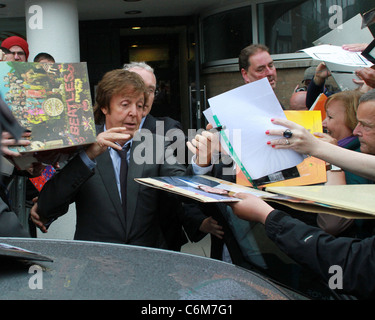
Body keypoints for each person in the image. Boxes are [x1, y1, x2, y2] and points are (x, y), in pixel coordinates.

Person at [31, 69, 203, 249]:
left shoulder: (156, 145)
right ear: (105, 106)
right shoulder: (82, 145)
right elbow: (48, 205)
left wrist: (200, 164)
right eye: (125, 104)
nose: (134, 113)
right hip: (97, 260)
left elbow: (184, 190)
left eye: (139, 105)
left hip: (148, 260)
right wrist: (89, 155)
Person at [267, 88, 375, 182]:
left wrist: (319, 148)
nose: (356, 131)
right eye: (358, 122)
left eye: (366, 125)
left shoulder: (360, 151)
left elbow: (347, 199)